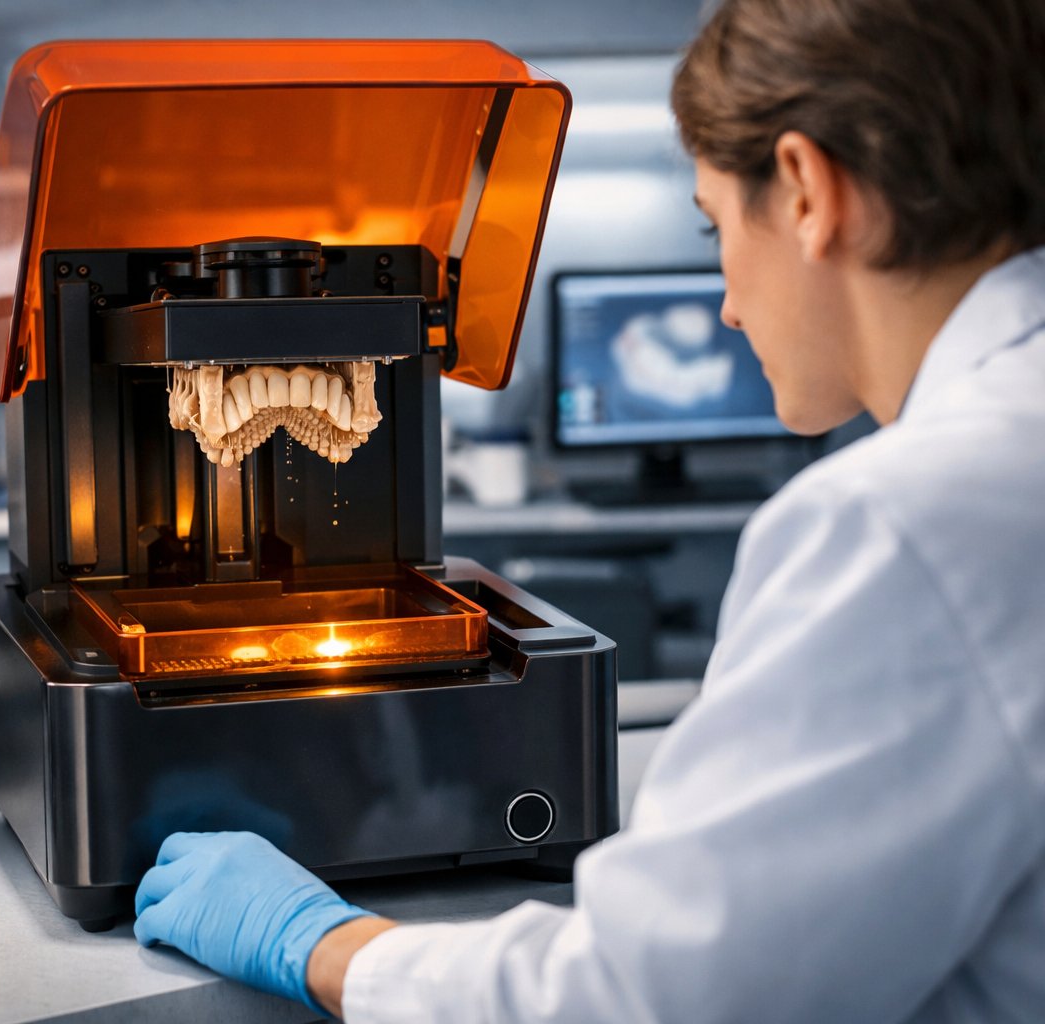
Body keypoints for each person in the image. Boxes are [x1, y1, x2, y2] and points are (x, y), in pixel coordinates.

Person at [132, 0, 1045, 1019]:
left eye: (712, 227)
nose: (728, 303)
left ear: (804, 190)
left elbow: (646, 997)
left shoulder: (903, 522)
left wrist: (319, 942)